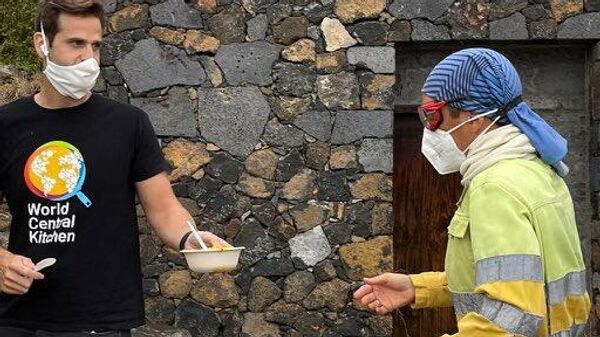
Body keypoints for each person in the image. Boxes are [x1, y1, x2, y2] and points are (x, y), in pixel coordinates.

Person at [0, 1, 228, 335]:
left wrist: (189, 239)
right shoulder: (6, 124)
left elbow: (164, 209)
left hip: (103, 318)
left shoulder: (128, 124)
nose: (89, 58)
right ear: (41, 44)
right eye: (76, 43)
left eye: (96, 46)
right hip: (21, 316)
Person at [354, 48, 590, 337]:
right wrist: (418, 287)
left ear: (475, 117)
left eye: (432, 116)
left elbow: (508, 318)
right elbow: (519, 280)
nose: (429, 130)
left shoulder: (495, 187)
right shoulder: (538, 170)